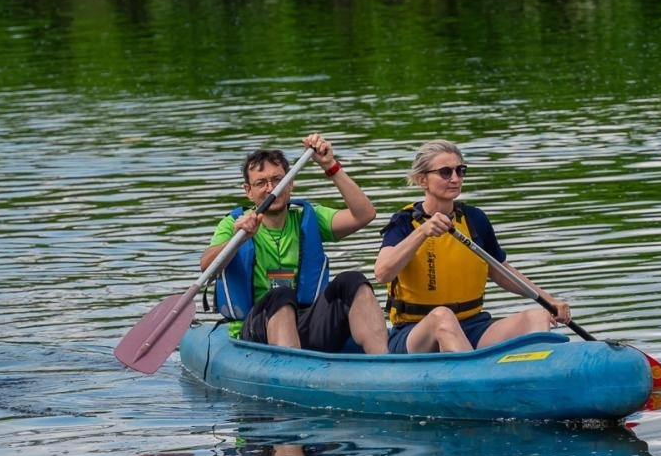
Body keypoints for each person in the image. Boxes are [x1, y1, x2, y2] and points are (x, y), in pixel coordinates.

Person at [374, 140, 572, 353]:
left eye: (460, 171)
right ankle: (477, 376)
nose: (455, 178)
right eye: (445, 172)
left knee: (537, 317)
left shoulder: (475, 219)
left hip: (473, 325)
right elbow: (382, 273)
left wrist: (548, 300)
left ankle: (537, 377)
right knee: (443, 316)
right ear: (423, 180)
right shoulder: (404, 222)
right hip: (415, 332)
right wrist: (422, 232)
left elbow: (501, 272)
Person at [202, 135, 388, 353]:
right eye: (261, 183)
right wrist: (238, 240)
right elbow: (207, 266)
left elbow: (364, 215)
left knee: (353, 280)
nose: (271, 189)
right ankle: (292, 371)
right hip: (255, 327)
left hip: (306, 321)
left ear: (290, 183)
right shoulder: (234, 224)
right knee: (281, 295)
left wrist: (330, 166)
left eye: (277, 180)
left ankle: (382, 361)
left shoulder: (308, 218)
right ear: (248, 191)